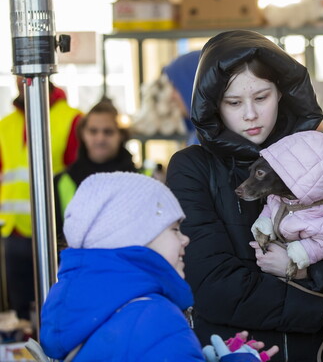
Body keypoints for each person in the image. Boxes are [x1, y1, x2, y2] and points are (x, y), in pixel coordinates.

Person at [166, 29, 323, 361]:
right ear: (213, 104)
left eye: (261, 97)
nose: (250, 115)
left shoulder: (315, 159)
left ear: (282, 93)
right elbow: (214, 287)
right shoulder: (193, 168)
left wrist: (300, 268)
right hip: (239, 352)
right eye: (233, 102)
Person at [40, 172, 278, 362]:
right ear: (137, 238)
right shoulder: (154, 319)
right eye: (174, 229)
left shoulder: (81, 306)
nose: (185, 239)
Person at [0, 76, 82, 320]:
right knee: (22, 315)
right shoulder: (6, 125)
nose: (22, 80)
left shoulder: (72, 119)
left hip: (55, 232)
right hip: (14, 232)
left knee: (60, 309)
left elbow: (78, 177)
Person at [53, 99, 137, 247]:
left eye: (108, 132)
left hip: (128, 267)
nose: (100, 138)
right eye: (93, 131)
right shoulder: (61, 182)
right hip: (78, 268)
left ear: (121, 135)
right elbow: (55, 242)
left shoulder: (142, 180)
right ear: (83, 134)